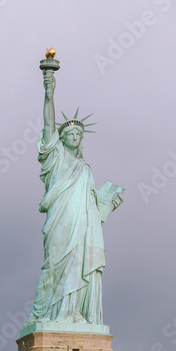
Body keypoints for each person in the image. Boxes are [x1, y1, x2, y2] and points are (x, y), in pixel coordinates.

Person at [28, 68, 123, 325]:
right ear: (61, 138)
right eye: (70, 133)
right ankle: (42, 314)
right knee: (53, 266)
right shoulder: (54, 158)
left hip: (83, 227)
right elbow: (49, 124)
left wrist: (107, 204)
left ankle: (73, 313)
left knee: (80, 265)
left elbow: (93, 208)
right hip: (60, 221)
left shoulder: (85, 169)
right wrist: (49, 91)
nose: (75, 136)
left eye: (78, 135)